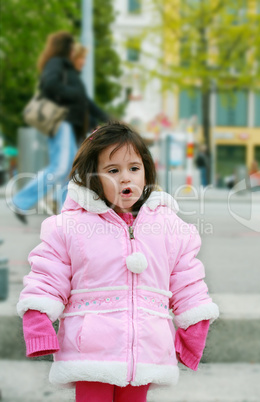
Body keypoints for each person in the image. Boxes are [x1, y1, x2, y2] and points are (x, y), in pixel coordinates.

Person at [17, 122, 219, 402]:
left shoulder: (169, 227)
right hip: (90, 351)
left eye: (134, 168)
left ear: (146, 171)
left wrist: (195, 328)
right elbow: (46, 279)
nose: (126, 178)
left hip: (147, 348)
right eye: (113, 170)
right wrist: (38, 323)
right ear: (92, 178)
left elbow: (188, 282)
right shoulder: (70, 227)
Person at [10, 32, 109, 224]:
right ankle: (20, 201)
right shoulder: (56, 64)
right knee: (60, 167)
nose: (74, 51)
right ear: (66, 48)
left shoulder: (68, 71)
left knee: (70, 171)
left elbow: (85, 103)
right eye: (72, 47)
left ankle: (67, 215)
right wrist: (73, 95)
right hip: (62, 123)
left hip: (70, 126)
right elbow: (50, 86)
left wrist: (105, 118)